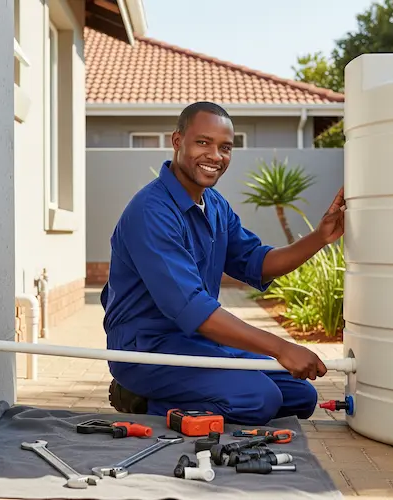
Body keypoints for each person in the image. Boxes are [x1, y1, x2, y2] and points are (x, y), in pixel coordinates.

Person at [100, 101, 345, 425]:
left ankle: (183, 393)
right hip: (146, 350)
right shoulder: (151, 212)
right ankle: (141, 400)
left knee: (300, 395)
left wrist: (319, 237)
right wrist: (281, 348)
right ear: (178, 141)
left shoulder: (214, 205)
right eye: (203, 142)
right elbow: (193, 308)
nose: (215, 155)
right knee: (259, 399)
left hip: (196, 343)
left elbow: (256, 263)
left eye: (225, 147)